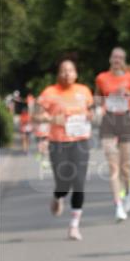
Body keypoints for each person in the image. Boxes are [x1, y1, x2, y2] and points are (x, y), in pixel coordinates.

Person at [37, 59, 94, 240]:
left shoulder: (84, 91)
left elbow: (91, 111)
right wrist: (52, 120)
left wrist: (91, 115)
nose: (67, 74)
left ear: (76, 73)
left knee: (78, 183)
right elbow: (37, 115)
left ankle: (74, 226)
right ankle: (58, 195)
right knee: (63, 182)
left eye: (70, 70)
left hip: (80, 141)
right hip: (58, 142)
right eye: (63, 70)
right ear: (58, 74)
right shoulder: (50, 92)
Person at [95, 48, 130, 222]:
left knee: (125, 166)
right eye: (114, 56)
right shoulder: (101, 78)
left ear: (124, 60)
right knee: (113, 167)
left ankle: (129, 189)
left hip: (125, 120)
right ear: (110, 59)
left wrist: (129, 94)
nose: (117, 59)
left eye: (120, 57)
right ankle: (118, 206)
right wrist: (98, 106)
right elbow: (97, 98)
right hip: (108, 120)